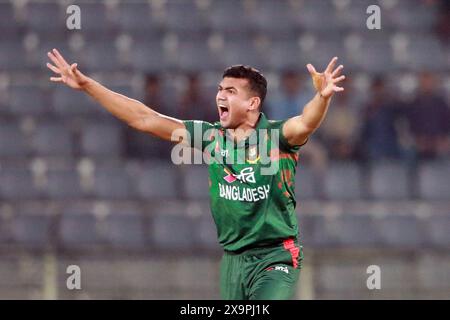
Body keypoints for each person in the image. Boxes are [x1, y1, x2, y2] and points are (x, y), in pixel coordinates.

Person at [46, 49, 346, 300]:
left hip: (276, 256)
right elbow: (146, 119)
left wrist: (322, 97)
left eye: (230, 91)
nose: (220, 96)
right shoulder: (211, 137)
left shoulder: (277, 136)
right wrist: (87, 85)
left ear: (252, 103)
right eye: (219, 89)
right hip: (233, 259)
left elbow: (306, 122)